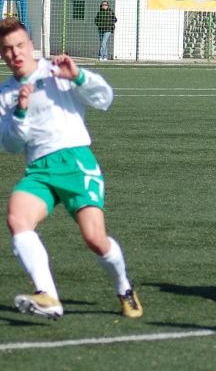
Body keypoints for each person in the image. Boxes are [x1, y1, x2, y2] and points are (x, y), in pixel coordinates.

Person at [0, 18, 142, 320]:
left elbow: (105, 98)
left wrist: (78, 77)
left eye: (20, 46)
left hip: (75, 162)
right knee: (17, 218)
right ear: (2, 54)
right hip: (39, 170)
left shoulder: (56, 70)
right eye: (8, 49)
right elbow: (11, 145)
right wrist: (21, 112)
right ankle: (47, 294)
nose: (16, 54)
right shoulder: (6, 94)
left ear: (31, 44)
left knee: (95, 239)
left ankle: (124, 287)